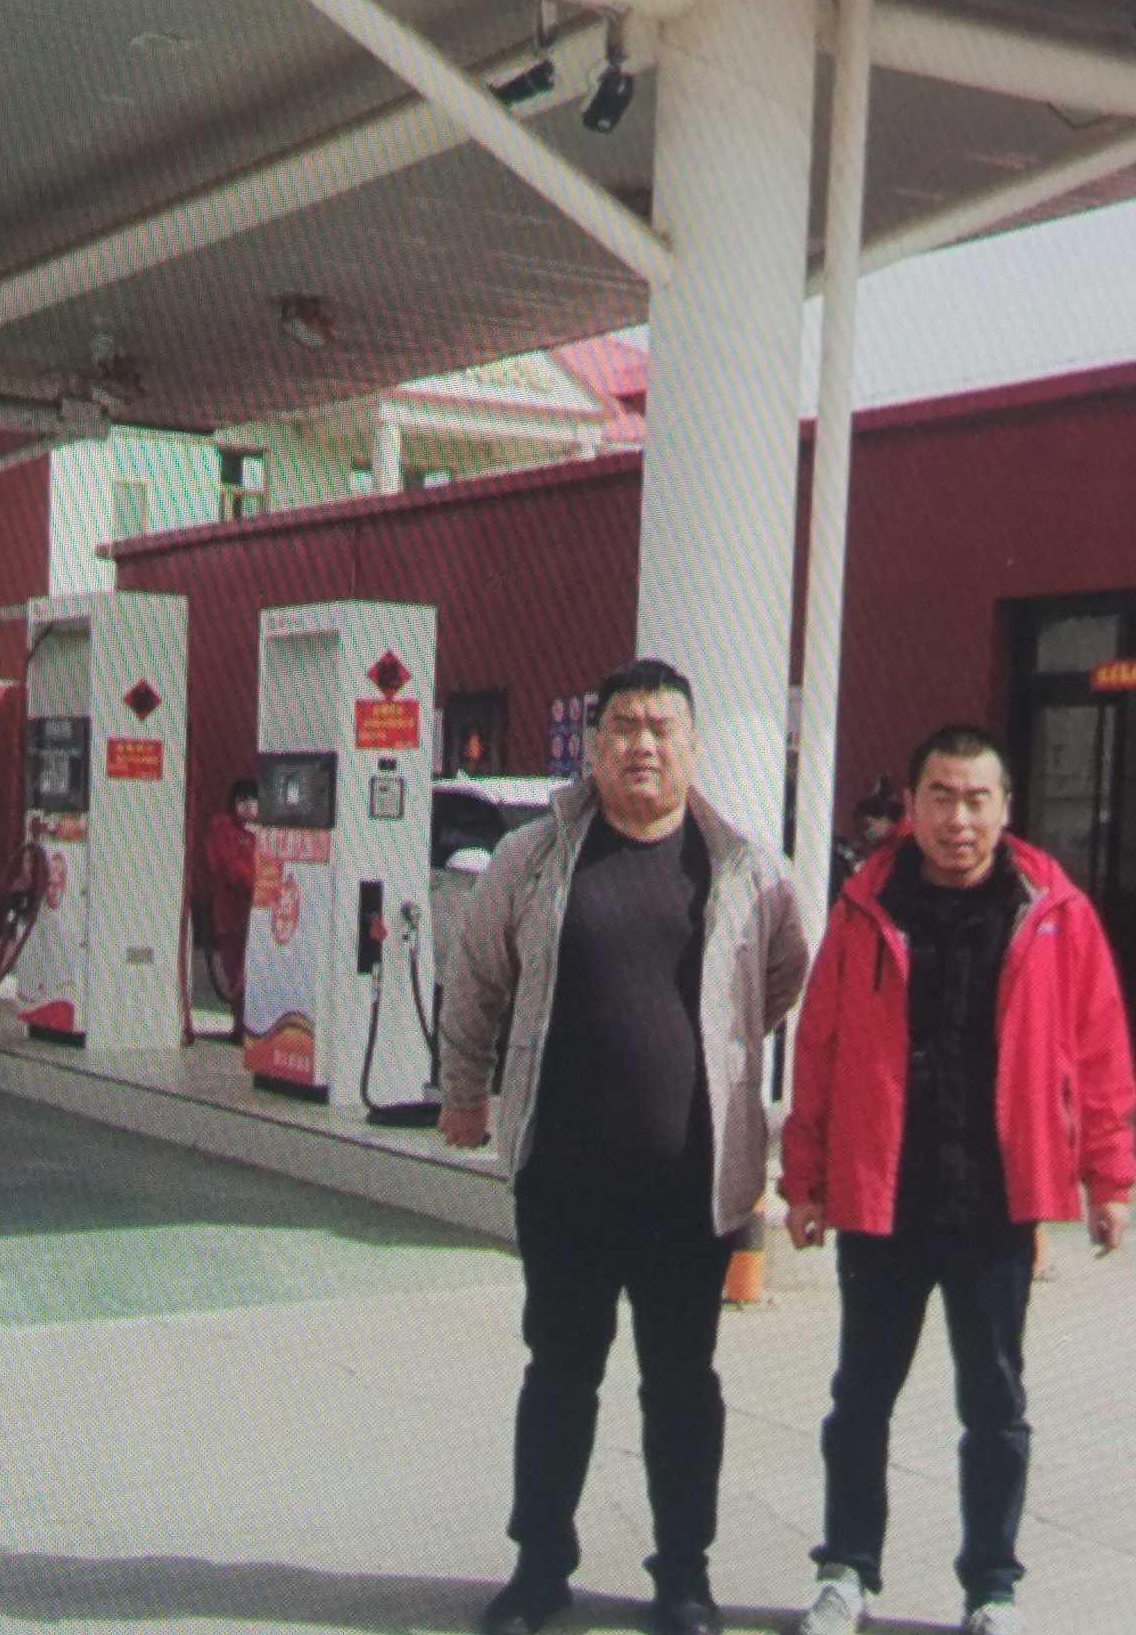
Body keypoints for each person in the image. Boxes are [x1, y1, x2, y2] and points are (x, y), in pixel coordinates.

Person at [440, 658, 810, 1635]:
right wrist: (464, 1092)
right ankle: (539, 1570)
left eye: (661, 728)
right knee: (559, 1376)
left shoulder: (745, 868)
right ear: (593, 744)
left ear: (692, 745)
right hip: (564, 1186)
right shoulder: (533, 858)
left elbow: (779, 978)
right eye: (624, 727)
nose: (642, 745)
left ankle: (683, 1578)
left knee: (683, 1387)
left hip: (691, 1190)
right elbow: (477, 978)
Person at [780, 725, 1136, 1635]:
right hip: (884, 1195)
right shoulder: (865, 908)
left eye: (978, 798)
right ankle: (845, 1571)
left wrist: (1109, 1178)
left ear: (1006, 808)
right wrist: (805, 1178)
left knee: (995, 1405)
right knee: (860, 1398)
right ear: (911, 805)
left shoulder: (1052, 911)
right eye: (940, 796)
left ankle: (992, 1588)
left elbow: (1099, 1051)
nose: (958, 818)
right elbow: (818, 1048)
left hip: (994, 1202)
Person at [203, 776, 258, 1043]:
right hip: (231, 915)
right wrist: (257, 885)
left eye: (253, 800)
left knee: (253, 972)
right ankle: (240, 1026)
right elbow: (228, 868)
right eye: (241, 800)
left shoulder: (266, 832)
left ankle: (252, 1027)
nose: (247, 805)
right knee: (235, 971)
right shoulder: (222, 829)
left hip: (261, 916)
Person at [828, 776, 903, 902]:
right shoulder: (886, 846)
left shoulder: (903, 840)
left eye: (867, 826)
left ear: (882, 818)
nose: (866, 835)